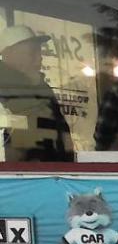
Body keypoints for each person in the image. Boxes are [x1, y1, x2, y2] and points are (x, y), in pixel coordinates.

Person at [0, 24, 74, 162]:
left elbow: (61, 132)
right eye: (32, 52)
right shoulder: (5, 87)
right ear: (9, 54)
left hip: (54, 173)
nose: (40, 57)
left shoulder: (41, 87)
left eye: (39, 51)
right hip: (19, 176)